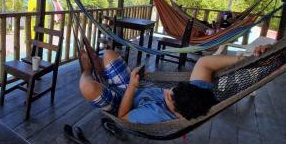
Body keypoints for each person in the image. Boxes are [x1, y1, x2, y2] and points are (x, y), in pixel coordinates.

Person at [79, 45, 271, 123]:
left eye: (169, 98)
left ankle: (88, 69)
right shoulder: (200, 93)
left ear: (177, 112)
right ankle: (103, 74)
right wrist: (247, 58)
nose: (166, 92)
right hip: (134, 87)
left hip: (123, 102)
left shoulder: (153, 115)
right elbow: (204, 63)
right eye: (172, 90)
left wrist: (131, 86)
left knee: (87, 87)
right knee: (108, 53)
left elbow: (122, 116)